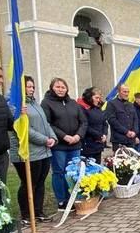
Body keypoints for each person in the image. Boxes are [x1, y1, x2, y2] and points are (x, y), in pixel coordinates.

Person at [9, 76, 56, 224]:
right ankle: (26, 214)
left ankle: (38, 211)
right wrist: (44, 139)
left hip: (43, 151)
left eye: (32, 87)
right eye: (28, 87)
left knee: (40, 182)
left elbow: (45, 124)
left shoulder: (35, 103)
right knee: (29, 183)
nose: (31, 89)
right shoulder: (15, 106)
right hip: (28, 152)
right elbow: (24, 129)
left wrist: (52, 137)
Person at [41, 78, 84, 209]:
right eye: (57, 87)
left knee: (73, 172)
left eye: (63, 87)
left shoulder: (73, 103)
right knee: (59, 172)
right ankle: (62, 200)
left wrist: (78, 135)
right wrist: (64, 136)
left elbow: (83, 122)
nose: (60, 89)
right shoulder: (46, 103)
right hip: (59, 145)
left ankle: (74, 197)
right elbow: (47, 124)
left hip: (75, 144)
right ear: (52, 88)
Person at [78, 87, 109, 162]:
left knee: (97, 165)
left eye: (99, 98)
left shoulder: (98, 108)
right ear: (89, 97)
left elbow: (104, 122)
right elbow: (85, 125)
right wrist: (99, 135)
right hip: (87, 144)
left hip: (98, 144)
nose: (98, 100)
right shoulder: (82, 108)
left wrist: (105, 134)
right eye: (96, 98)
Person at [107, 84, 138, 152]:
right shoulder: (111, 104)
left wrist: (135, 132)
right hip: (119, 140)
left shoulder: (130, 105)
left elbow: (135, 119)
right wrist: (126, 132)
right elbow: (112, 120)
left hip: (131, 140)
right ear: (118, 92)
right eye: (124, 92)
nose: (127, 94)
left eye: (128, 92)